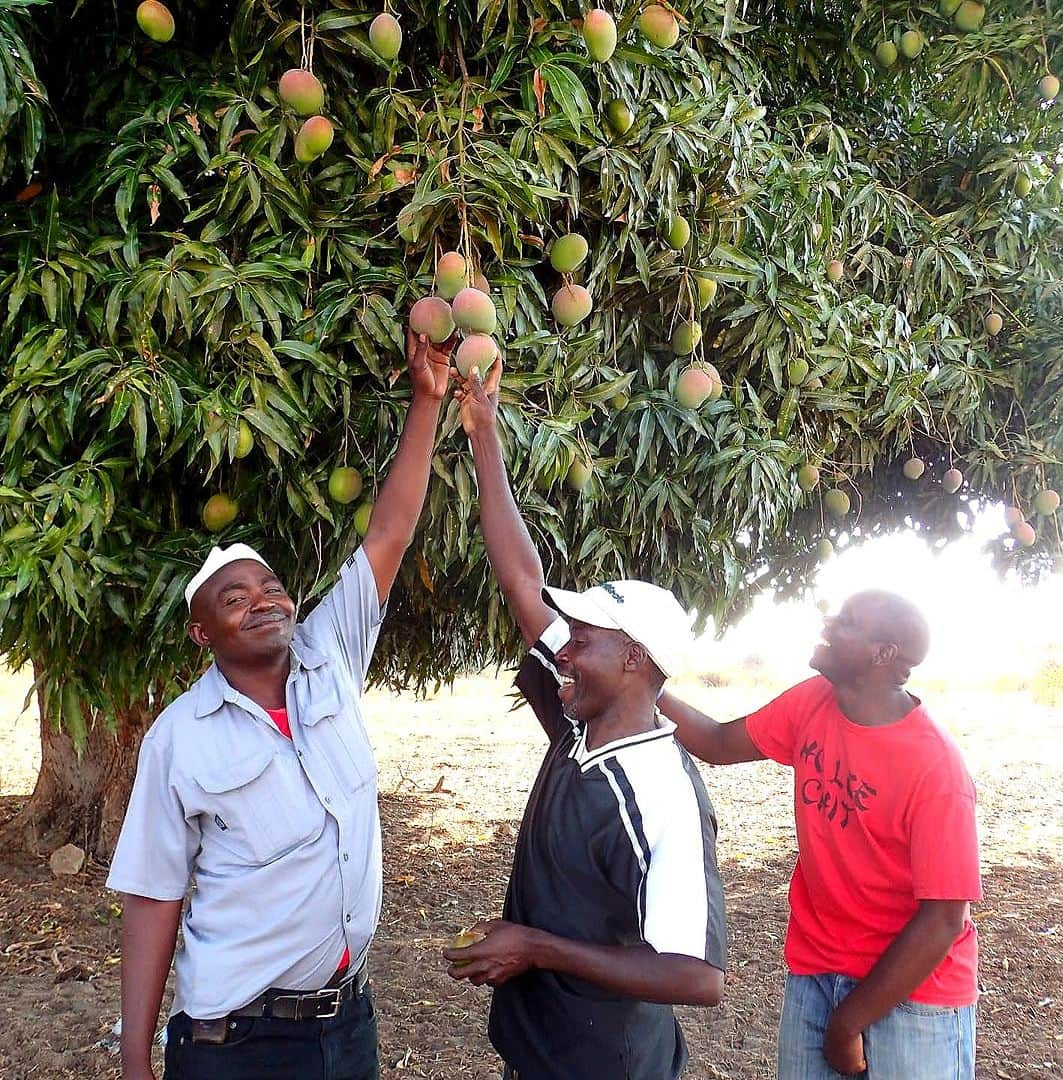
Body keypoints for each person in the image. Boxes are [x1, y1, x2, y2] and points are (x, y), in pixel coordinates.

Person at [105, 329, 454, 1080]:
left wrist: (427, 401)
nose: (262, 601)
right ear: (203, 632)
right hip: (237, 1044)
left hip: (347, 1024)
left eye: (269, 587)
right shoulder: (178, 739)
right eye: (236, 598)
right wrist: (136, 1062)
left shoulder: (330, 657)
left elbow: (389, 530)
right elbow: (153, 898)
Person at [442, 363, 727, 1080]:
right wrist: (484, 434)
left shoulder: (661, 792)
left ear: (635, 657)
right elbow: (520, 580)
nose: (560, 649)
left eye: (582, 638)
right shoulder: (580, 728)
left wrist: (535, 947)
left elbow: (696, 976)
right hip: (540, 1055)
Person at [659, 590, 981, 1079]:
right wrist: (643, 683)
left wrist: (847, 1024)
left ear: (883, 654)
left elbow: (943, 920)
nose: (828, 622)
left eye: (847, 621)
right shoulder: (812, 703)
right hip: (818, 970)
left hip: (915, 994)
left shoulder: (935, 767)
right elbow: (718, 742)